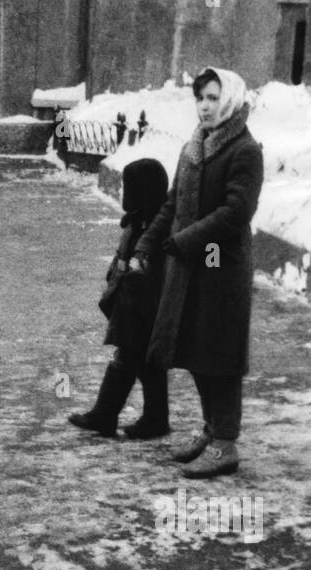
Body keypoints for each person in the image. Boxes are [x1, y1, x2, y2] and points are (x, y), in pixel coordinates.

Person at [130, 67, 264, 478]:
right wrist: (146, 244)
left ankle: (225, 443)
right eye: (200, 98)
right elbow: (171, 203)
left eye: (212, 97)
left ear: (230, 100)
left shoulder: (244, 149)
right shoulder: (194, 145)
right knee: (196, 351)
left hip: (220, 268)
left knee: (219, 353)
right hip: (191, 267)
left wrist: (185, 241)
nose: (204, 106)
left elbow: (236, 212)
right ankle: (212, 430)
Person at [68, 157, 170, 439]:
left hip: (144, 305)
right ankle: (144, 417)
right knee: (138, 360)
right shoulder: (138, 220)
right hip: (130, 301)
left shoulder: (157, 226)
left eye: (132, 187)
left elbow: (155, 271)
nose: (127, 194)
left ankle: (120, 416)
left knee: (136, 359)